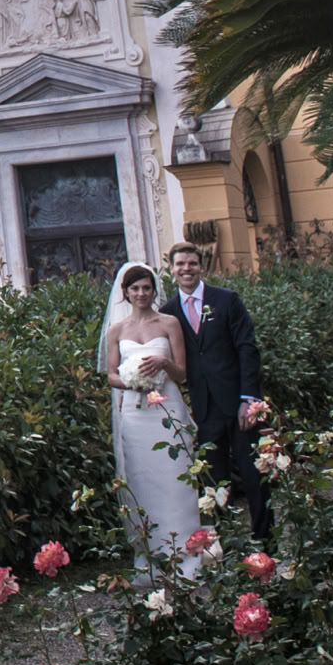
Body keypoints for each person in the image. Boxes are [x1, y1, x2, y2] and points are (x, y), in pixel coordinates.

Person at [159, 241, 271, 541]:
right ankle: (225, 543)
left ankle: (264, 540)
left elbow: (248, 349)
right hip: (204, 407)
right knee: (215, 479)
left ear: (201, 266)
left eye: (192, 263)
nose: (186, 269)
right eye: (180, 264)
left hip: (238, 403)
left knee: (253, 473)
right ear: (172, 269)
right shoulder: (167, 313)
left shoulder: (226, 300)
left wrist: (249, 399)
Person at [101, 260, 202, 580]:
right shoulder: (116, 331)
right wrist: (131, 381)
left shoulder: (169, 323)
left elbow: (182, 374)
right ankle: (152, 556)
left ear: (154, 291)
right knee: (143, 480)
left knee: (175, 477)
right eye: (135, 288)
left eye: (146, 288)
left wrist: (162, 362)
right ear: (126, 293)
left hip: (167, 409)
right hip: (135, 412)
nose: (141, 293)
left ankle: (186, 555)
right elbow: (111, 375)